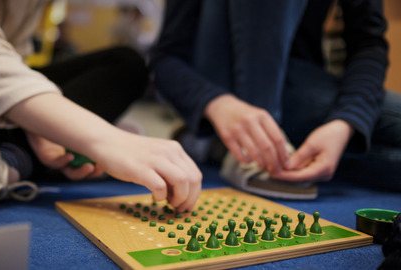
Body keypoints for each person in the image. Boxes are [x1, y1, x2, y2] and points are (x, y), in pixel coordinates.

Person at [0, 0, 201, 224]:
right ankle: (11, 161)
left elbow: (9, 58)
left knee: (126, 64)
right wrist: (105, 138)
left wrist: (41, 122)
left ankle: (9, 157)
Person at [150, 0, 401, 197]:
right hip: (222, 88)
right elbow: (165, 60)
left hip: (299, 85)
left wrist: (347, 123)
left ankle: (229, 144)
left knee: (360, 146)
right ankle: (242, 140)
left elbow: (368, 44)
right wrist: (216, 104)